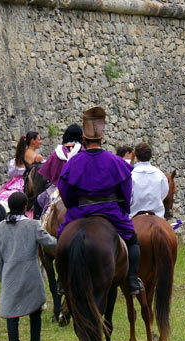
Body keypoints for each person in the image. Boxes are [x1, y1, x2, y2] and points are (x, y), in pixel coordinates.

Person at [57, 107, 143, 295]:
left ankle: (62, 280)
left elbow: (64, 188)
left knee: (61, 237)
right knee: (132, 240)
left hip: (80, 211)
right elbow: (126, 188)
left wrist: (73, 206)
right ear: (101, 139)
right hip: (111, 211)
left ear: (84, 140)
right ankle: (132, 279)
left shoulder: (73, 162)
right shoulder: (115, 161)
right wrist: (123, 208)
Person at [0, 192, 57, 341]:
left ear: (9, 207)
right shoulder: (33, 225)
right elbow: (50, 243)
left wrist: (3, 277)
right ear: (26, 208)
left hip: (10, 275)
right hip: (31, 275)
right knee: (35, 312)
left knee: (12, 316)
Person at [0, 131, 44, 209]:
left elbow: (12, 172)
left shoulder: (20, 154)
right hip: (27, 183)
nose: (40, 142)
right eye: (39, 140)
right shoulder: (37, 157)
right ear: (33, 141)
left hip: (14, 182)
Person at [37, 124, 84, 216]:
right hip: (79, 189)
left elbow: (46, 172)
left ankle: (38, 224)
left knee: (39, 200)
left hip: (58, 189)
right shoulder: (83, 151)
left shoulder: (57, 153)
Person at [129, 142, 169, 218]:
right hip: (157, 215)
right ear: (150, 156)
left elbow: (128, 197)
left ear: (136, 157)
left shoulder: (131, 176)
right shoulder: (160, 174)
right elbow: (164, 193)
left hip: (134, 215)